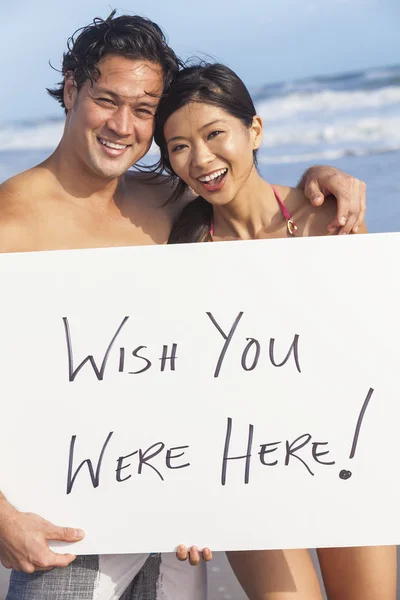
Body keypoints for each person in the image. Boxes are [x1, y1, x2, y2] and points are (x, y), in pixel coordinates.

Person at [0, 11, 368, 600]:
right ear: (71, 90)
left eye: (144, 110)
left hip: (178, 509)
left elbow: (240, 192)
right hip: (74, 515)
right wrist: (3, 518)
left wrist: (321, 179)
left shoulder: (164, 199)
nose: (124, 125)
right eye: (106, 100)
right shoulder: (9, 222)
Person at [151, 61, 397, 600]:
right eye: (179, 147)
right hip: (245, 469)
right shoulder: (181, 249)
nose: (202, 159)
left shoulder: (326, 219)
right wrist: (187, 495)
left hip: (342, 455)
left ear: (254, 131)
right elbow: (180, 381)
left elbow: (374, 348)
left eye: (215, 134)